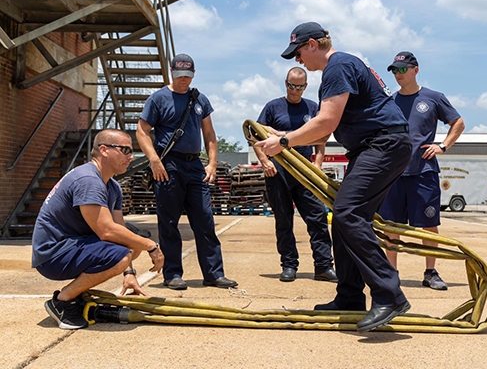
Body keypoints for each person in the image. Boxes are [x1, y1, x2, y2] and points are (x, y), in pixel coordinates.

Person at [256, 22, 412, 332]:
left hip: (382, 145)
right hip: (376, 146)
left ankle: (389, 294)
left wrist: (284, 142)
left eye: (298, 52)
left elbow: (326, 122)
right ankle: (350, 296)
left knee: (347, 213)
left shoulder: (337, 66)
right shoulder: (345, 65)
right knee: (343, 220)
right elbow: (321, 122)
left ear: (312, 44)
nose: (298, 60)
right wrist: (286, 134)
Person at [31, 129, 165, 330]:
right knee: (121, 254)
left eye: (132, 151)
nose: (131, 156)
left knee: (131, 244)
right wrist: (152, 246)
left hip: (71, 246)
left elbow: (119, 231)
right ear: (103, 150)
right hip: (52, 255)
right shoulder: (88, 180)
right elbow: (107, 232)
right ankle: (62, 301)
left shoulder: (112, 187)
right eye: (125, 150)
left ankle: (75, 294)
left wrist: (129, 273)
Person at [136, 53, 237, 291]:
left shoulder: (199, 99)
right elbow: (142, 131)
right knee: (169, 221)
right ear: (172, 72)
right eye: (180, 75)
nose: (184, 80)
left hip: (195, 166)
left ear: (194, 74)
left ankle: (214, 273)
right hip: (168, 165)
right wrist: (154, 161)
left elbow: (210, 135)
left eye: (188, 76)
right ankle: (172, 274)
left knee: (204, 219)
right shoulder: (158, 99)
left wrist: (211, 164)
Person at [378, 52, 465, 290]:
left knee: (429, 223)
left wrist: (443, 146)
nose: (398, 74)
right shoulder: (390, 102)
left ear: (415, 69)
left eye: (402, 69)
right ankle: (391, 273)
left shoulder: (433, 98)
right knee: (390, 225)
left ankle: (430, 272)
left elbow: (458, 122)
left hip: (423, 171)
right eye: (394, 70)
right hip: (394, 174)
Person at [253, 67, 337, 283]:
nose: (295, 90)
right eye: (291, 85)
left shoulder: (312, 107)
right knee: (284, 220)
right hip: (278, 171)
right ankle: (289, 265)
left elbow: (321, 139)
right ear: (285, 83)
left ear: (305, 86)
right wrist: (264, 162)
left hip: (304, 171)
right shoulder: (273, 107)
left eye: (299, 86)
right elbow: (255, 136)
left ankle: (323, 266)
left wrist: (317, 165)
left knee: (317, 218)